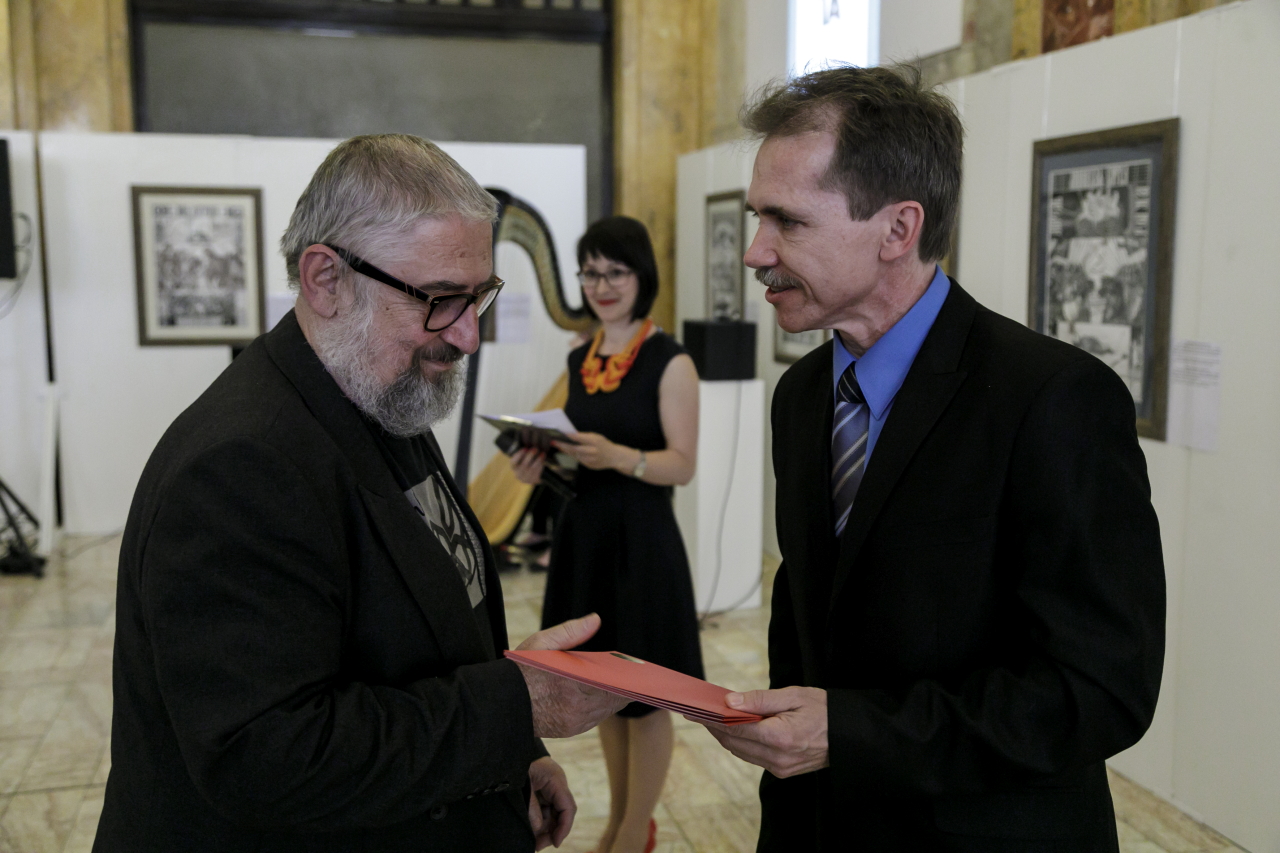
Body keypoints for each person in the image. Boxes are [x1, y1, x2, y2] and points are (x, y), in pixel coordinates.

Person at [94, 134, 627, 853]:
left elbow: (428, 630)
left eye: (478, 297)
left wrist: (513, 755)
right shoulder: (240, 465)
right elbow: (267, 756)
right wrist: (518, 706)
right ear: (325, 279)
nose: (468, 335)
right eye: (440, 299)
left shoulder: (381, 392)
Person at [695, 67, 1166, 851]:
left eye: (788, 221)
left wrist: (851, 733)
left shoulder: (1053, 400)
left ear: (897, 229)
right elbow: (807, 622)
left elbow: (1100, 688)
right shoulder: (803, 395)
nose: (755, 252)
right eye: (757, 217)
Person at [509, 216, 702, 853]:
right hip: (585, 536)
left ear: (642, 276)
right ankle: (625, 821)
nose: (602, 285)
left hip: (641, 543)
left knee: (645, 695)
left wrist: (620, 456)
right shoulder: (580, 358)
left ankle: (632, 831)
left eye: (615, 271)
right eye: (590, 273)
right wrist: (539, 467)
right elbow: (575, 460)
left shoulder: (670, 360)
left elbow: (682, 464)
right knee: (602, 690)